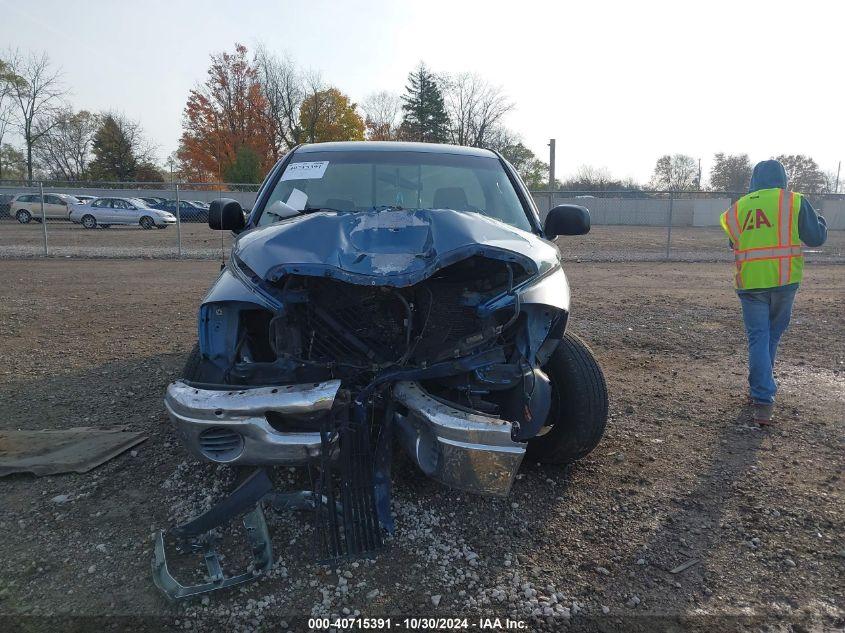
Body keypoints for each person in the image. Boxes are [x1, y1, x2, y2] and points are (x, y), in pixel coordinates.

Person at [719, 159, 827, 425]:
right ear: (783, 178)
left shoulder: (739, 207)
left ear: (754, 180)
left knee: (759, 336)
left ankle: (761, 394)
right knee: (771, 336)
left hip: (751, 283)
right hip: (784, 280)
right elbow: (815, 238)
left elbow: (733, 241)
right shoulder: (794, 201)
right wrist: (821, 222)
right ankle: (762, 393)